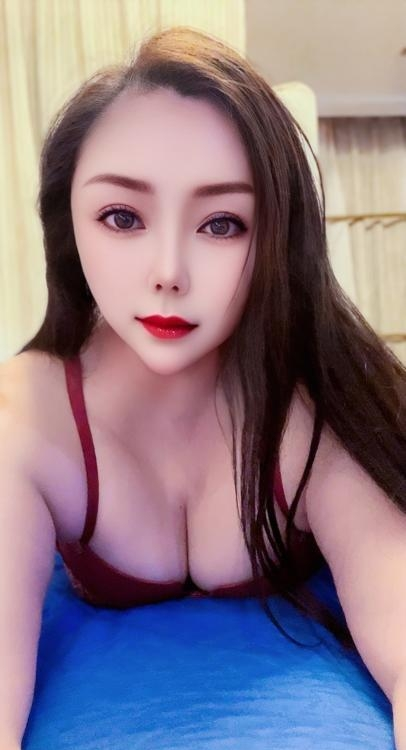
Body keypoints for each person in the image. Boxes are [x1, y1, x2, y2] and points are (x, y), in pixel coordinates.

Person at [0, 25, 405, 750]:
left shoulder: (317, 405)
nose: (169, 272)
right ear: (68, 224)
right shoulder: (25, 419)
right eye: (122, 217)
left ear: (277, 237)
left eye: (222, 224)